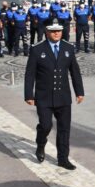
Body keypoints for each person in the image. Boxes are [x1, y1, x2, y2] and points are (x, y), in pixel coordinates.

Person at [24, 22, 85, 171]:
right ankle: (40, 142)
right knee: (46, 125)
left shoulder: (68, 48)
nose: (57, 33)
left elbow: (74, 72)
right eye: (53, 31)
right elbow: (30, 74)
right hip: (44, 96)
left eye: (59, 31)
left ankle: (63, 159)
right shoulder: (37, 49)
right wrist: (28, 94)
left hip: (63, 96)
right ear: (46, 32)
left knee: (64, 129)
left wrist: (79, 91)